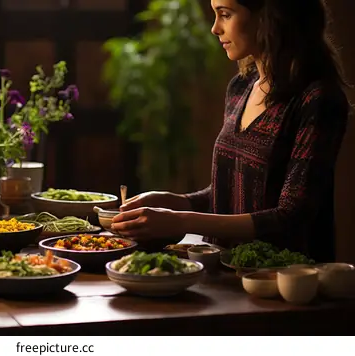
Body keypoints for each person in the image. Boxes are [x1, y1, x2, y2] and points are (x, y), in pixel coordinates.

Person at [110, 0, 351, 263]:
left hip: (285, 282)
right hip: (225, 273)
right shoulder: (241, 87)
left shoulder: (317, 100)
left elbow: (292, 215)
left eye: (225, 14)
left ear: (269, 17)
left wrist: (180, 221)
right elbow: (234, 191)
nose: (215, 28)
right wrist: (176, 201)